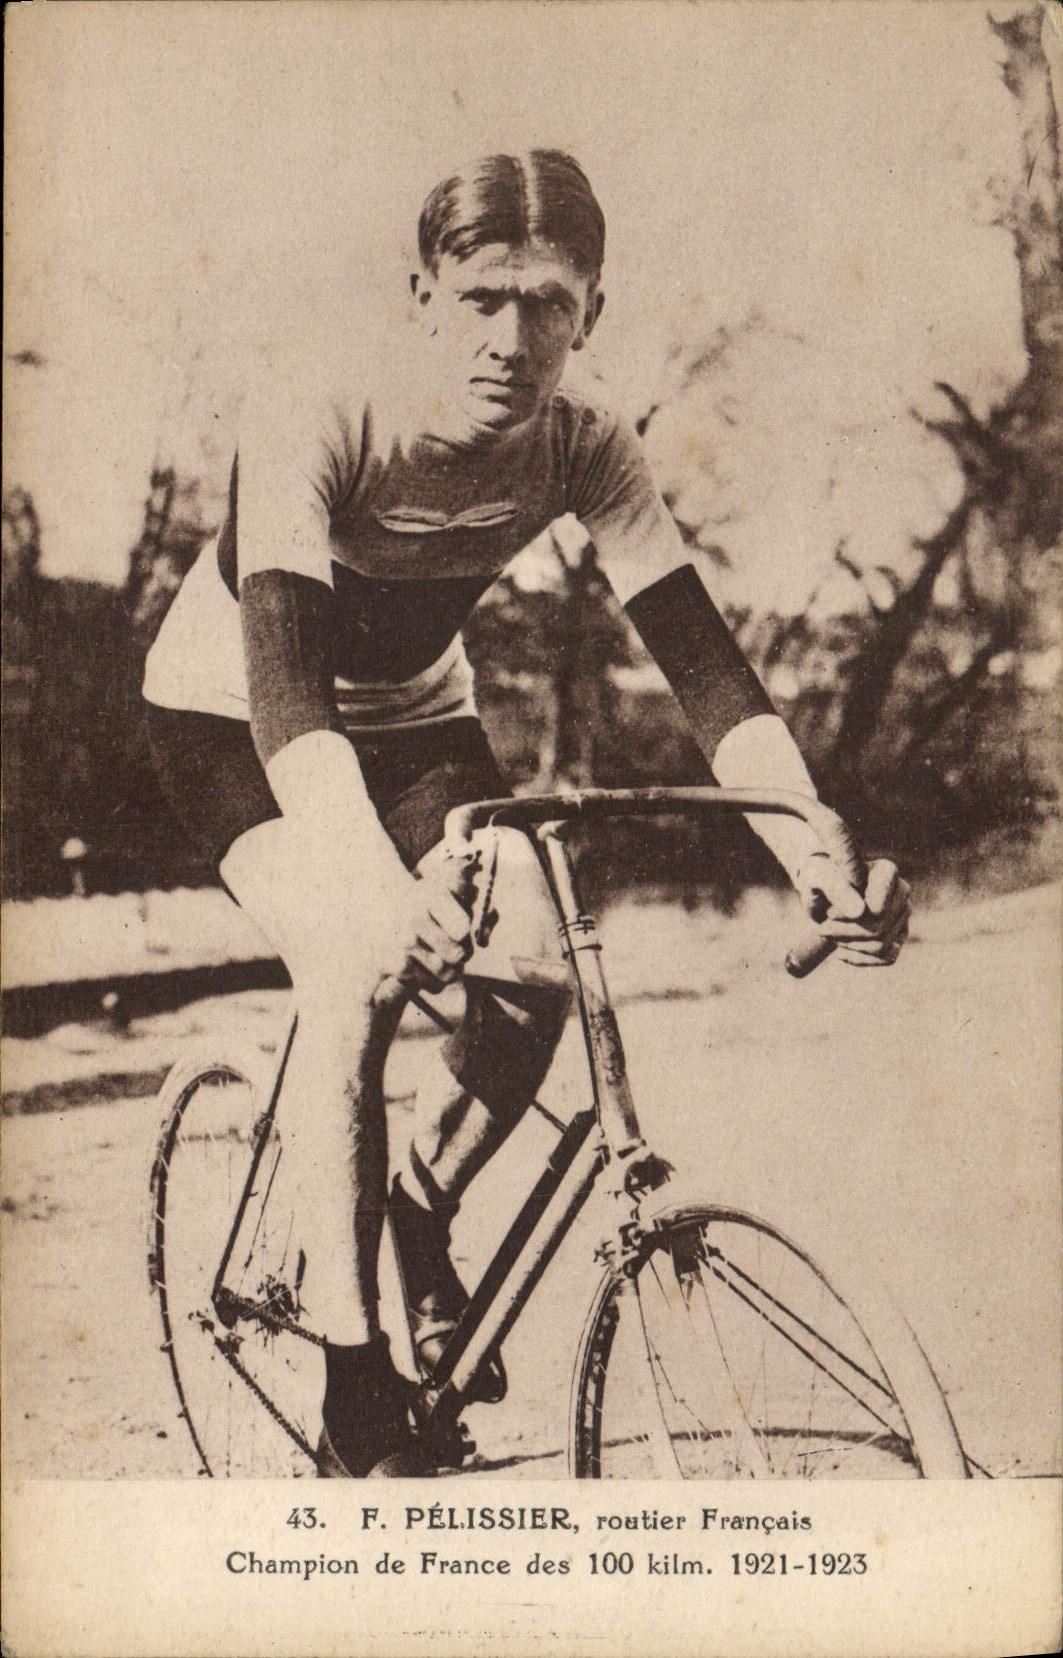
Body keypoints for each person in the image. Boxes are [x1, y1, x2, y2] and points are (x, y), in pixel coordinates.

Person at [143, 150, 910, 1478]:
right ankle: (349, 1361)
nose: (512, 337)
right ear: (424, 293)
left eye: (548, 303)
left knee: (535, 971)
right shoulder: (318, 407)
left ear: (591, 312)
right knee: (357, 958)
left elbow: (706, 666)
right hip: (232, 712)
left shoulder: (586, 444)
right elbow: (283, 684)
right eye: (484, 296)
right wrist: (378, 893)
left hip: (413, 711)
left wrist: (817, 852)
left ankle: (418, 1197)